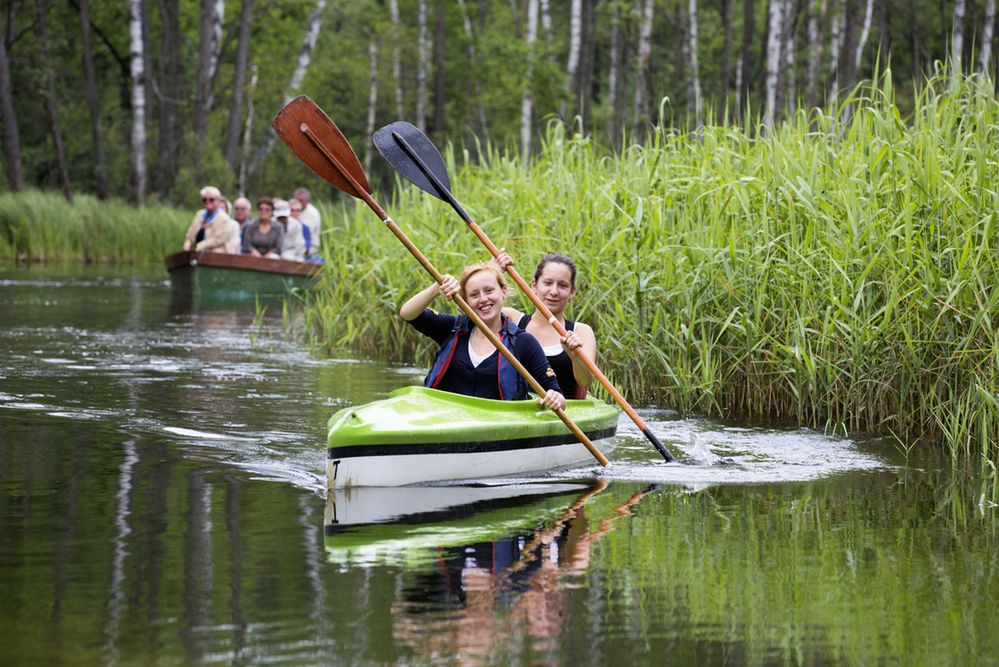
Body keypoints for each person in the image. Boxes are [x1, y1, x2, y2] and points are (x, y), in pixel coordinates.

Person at [400, 263, 565, 410]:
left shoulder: (523, 342)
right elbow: (408, 313)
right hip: (446, 421)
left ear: (503, 291)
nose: (483, 299)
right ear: (465, 302)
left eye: (489, 290)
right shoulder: (452, 328)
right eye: (474, 295)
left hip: (498, 427)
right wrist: (437, 288)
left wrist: (555, 398)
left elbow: (557, 395)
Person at [495, 251, 596, 399]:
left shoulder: (581, 331)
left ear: (572, 292)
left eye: (562, 285)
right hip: (515, 411)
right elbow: (473, 307)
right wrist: (493, 271)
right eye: (548, 283)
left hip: (563, 413)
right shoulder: (512, 319)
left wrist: (575, 357)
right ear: (534, 286)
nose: (554, 292)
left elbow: (586, 381)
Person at [183, 186, 234, 253]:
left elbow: (218, 239)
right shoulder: (200, 215)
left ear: (218, 201)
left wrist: (201, 245)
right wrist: (187, 243)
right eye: (204, 199)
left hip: (218, 255)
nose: (207, 201)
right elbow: (190, 234)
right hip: (198, 253)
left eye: (211, 199)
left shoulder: (224, 218)